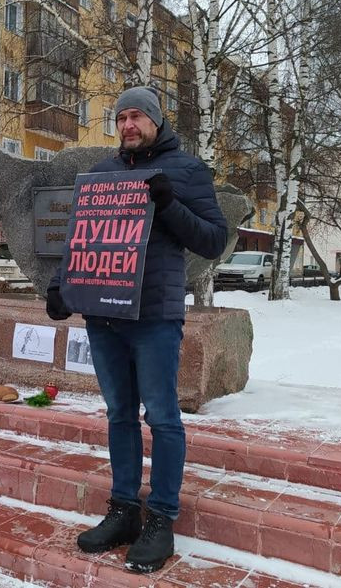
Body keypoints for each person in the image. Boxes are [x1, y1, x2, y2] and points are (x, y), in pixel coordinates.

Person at [47, 86, 227, 573]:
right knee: (119, 414)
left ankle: (162, 518)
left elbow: (214, 240)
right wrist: (60, 286)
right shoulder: (103, 175)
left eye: (137, 117)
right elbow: (78, 239)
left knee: (163, 418)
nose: (129, 125)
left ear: (156, 121)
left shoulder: (186, 171)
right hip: (104, 317)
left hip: (154, 317)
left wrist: (168, 204)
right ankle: (124, 509)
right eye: (122, 117)